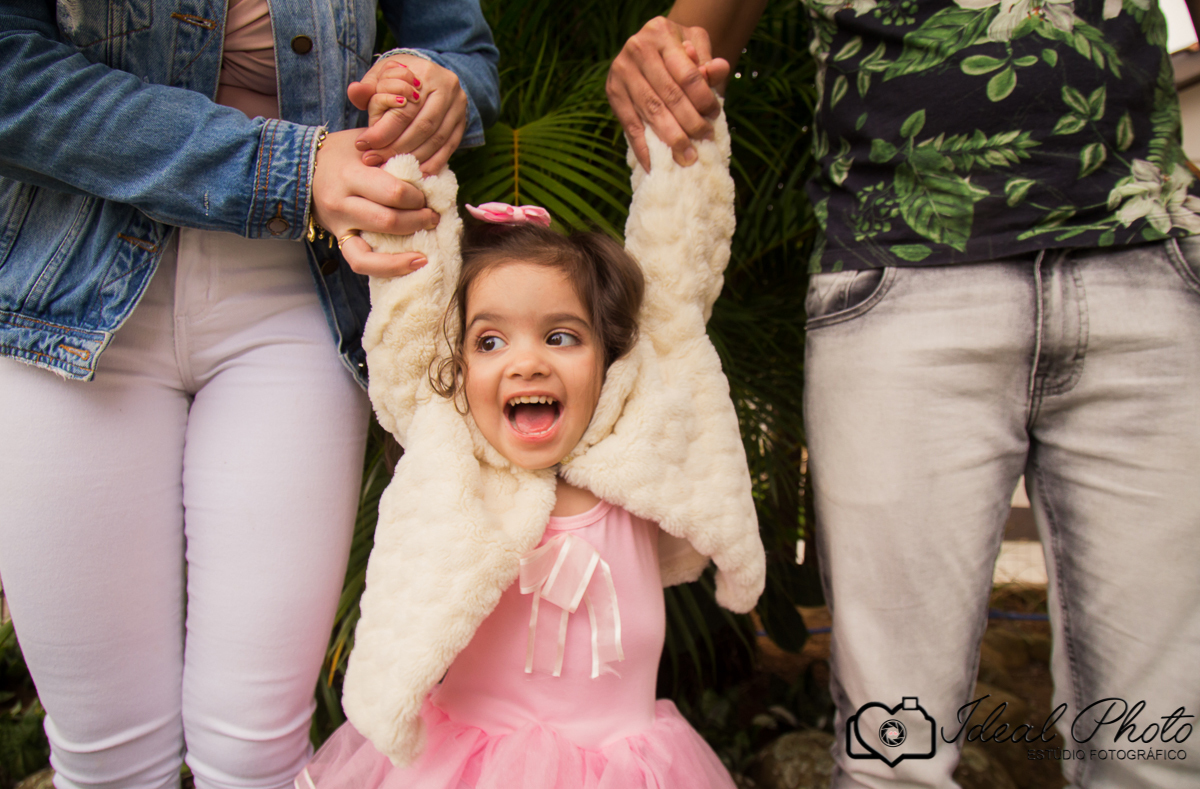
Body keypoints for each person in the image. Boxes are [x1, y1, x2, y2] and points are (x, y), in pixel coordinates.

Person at [608, 3, 1200, 788]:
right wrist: (661, 55)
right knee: (897, 760)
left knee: (1157, 756)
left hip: (1149, 262)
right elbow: (699, 36)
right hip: (900, 273)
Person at [0, 1, 498, 788]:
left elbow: (458, 46)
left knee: (255, 753)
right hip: (66, 287)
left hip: (295, 298)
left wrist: (435, 88)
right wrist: (290, 169)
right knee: (106, 759)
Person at [295, 104, 765, 788]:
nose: (527, 362)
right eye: (490, 341)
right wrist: (407, 143)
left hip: (625, 763)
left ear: (613, 360)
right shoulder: (455, 455)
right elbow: (410, 304)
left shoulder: (634, 452)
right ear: (455, 367)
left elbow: (674, 292)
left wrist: (679, 150)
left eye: (561, 336)